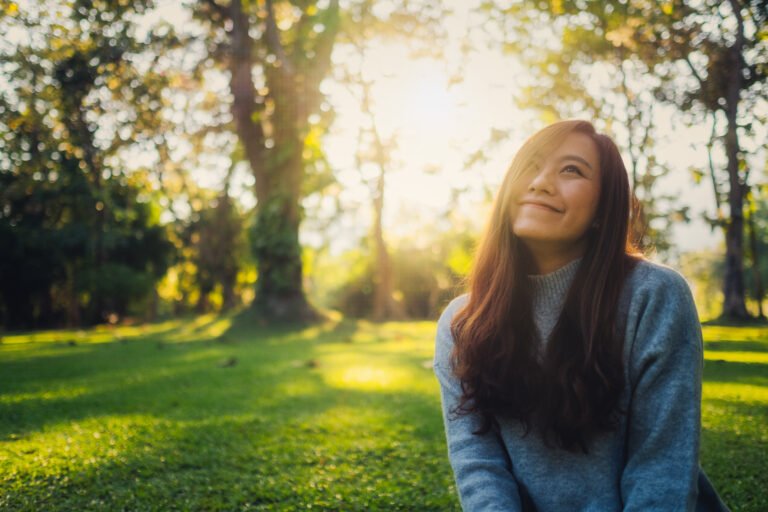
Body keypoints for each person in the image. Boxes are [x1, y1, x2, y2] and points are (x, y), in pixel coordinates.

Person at [433, 120, 730, 511]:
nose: (540, 182)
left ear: (603, 210)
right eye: (531, 166)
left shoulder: (654, 295)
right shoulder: (463, 322)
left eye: (571, 170)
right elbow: (479, 465)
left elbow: (661, 470)